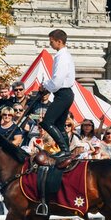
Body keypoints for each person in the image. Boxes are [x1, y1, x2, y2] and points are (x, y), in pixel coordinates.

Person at [41, 29, 76, 160]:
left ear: (59, 41)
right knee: (60, 124)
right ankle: (66, 152)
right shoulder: (66, 55)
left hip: (62, 93)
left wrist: (45, 86)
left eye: (52, 41)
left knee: (47, 122)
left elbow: (57, 80)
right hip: (65, 94)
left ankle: (65, 150)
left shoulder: (61, 57)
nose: (50, 44)